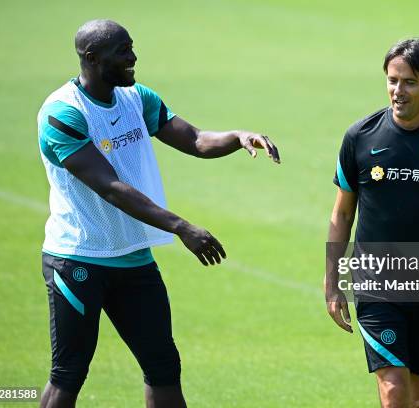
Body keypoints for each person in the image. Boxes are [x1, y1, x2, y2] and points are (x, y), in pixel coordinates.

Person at [37, 19, 280, 408]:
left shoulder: (138, 98)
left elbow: (195, 139)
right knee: (69, 373)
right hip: (78, 260)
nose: (133, 57)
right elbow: (110, 187)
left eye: (132, 47)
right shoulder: (62, 115)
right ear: (92, 58)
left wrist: (236, 137)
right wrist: (181, 227)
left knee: (163, 365)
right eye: (123, 51)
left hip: (133, 260)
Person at [325, 37, 419, 408]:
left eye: (409, 82)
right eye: (392, 80)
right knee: (394, 393)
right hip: (377, 286)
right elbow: (342, 214)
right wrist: (331, 284)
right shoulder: (360, 137)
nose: (398, 91)